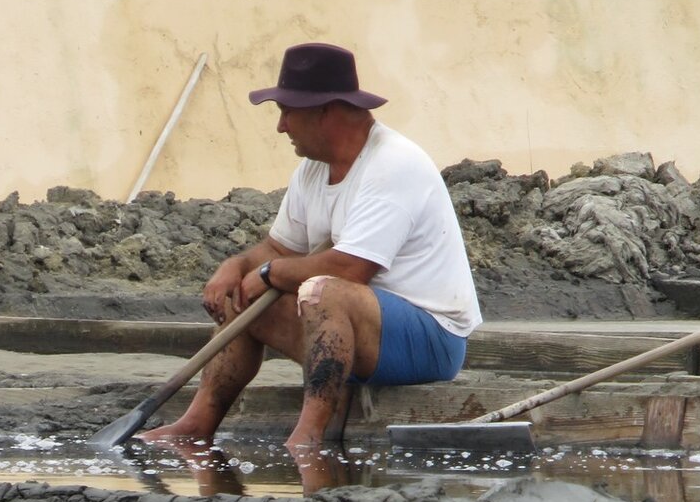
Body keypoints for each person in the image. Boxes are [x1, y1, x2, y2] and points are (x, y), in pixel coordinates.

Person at [138, 42, 481, 460]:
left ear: (327, 111)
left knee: (324, 290)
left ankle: (308, 437)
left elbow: (351, 267)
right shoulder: (313, 168)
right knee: (243, 296)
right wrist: (238, 266)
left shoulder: (394, 163)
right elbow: (278, 246)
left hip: (431, 339)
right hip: (355, 333)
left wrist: (268, 274)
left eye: (288, 112)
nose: (281, 127)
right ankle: (197, 424)